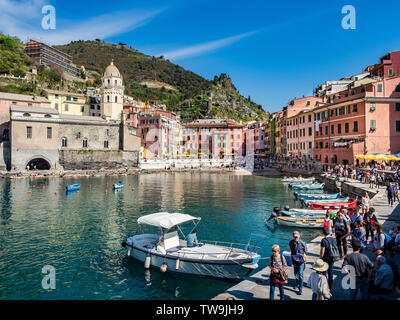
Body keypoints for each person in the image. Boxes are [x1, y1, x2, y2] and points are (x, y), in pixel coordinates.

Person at [289, 231, 307, 295]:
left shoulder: (302, 243)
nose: (295, 237)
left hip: (301, 261)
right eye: (294, 236)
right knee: (295, 273)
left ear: (299, 236)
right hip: (294, 260)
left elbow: (306, 251)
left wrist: (301, 256)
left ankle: (300, 289)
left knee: (300, 274)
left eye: (296, 236)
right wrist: (291, 259)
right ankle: (297, 284)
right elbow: (291, 250)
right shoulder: (291, 242)